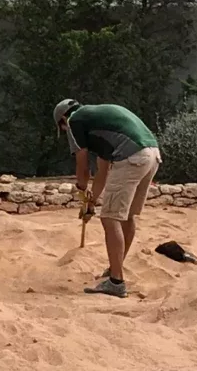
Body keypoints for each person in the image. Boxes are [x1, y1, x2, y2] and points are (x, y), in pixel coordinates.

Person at [55, 98, 161, 296]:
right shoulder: (98, 122)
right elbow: (102, 172)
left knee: (110, 217)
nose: (65, 131)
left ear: (63, 118)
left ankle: (116, 282)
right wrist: (91, 202)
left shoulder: (74, 121)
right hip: (152, 154)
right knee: (126, 216)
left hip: (132, 157)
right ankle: (115, 269)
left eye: (61, 127)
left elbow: (82, 166)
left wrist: (80, 188)